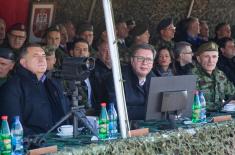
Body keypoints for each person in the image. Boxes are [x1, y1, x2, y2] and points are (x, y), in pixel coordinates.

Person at [0, 43, 69, 136]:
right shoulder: (11, 87)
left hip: (58, 142)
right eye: (35, 56)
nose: (42, 60)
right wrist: (41, 140)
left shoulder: (52, 84)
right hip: (31, 146)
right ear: (23, 62)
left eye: (43, 56)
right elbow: (13, 126)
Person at [107, 43, 156, 120]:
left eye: (149, 59)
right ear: (132, 60)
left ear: (153, 63)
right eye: (140, 58)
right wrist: (150, 112)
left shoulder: (154, 78)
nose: (145, 63)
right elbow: (116, 110)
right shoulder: (117, 78)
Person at [192, 42, 235, 111]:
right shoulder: (191, 76)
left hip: (221, 117)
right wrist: (222, 105)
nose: (211, 61)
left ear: (217, 58)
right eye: (206, 57)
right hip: (199, 118)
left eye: (214, 57)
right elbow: (193, 103)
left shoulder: (220, 74)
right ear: (198, 59)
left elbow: (232, 93)